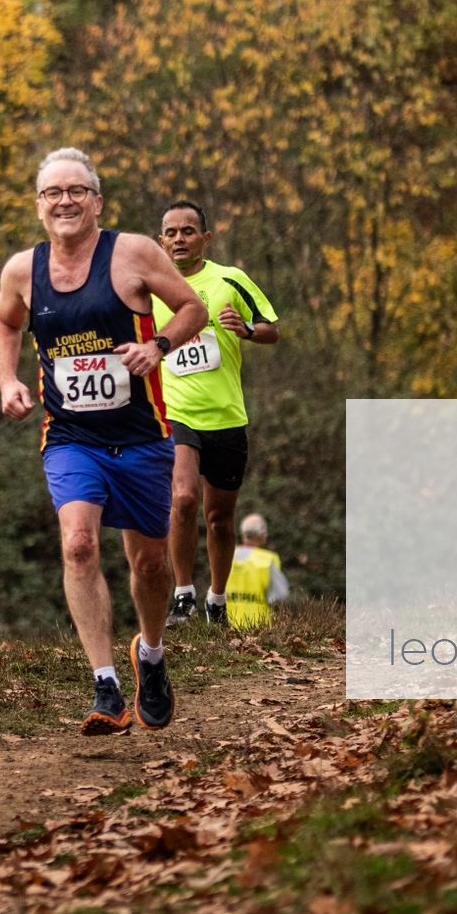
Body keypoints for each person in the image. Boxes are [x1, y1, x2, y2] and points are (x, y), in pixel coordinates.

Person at [0, 148, 206, 734]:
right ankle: (105, 685)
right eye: (53, 193)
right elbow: (5, 322)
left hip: (142, 436)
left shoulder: (133, 253)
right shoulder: (22, 271)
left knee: (151, 563)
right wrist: (8, 379)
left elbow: (193, 307)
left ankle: (151, 655)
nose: (64, 201)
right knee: (79, 545)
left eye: (76, 191)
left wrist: (158, 346)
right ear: (39, 205)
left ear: (97, 201)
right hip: (71, 437)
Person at [151, 200, 279, 628]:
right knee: (184, 498)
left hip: (226, 417)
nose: (179, 239)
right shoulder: (150, 289)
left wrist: (247, 329)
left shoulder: (231, 279)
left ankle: (217, 600)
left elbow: (271, 329)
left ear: (205, 238)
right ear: (160, 241)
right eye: (171, 232)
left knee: (220, 520)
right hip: (176, 413)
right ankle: (183, 594)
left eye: (188, 231)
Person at [225, 513, 289, 629]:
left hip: (227, 628)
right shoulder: (268, 560)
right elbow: (280, 597)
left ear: (243, 534)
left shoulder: (226, 556)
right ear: (262, 535)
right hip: (259, 630)